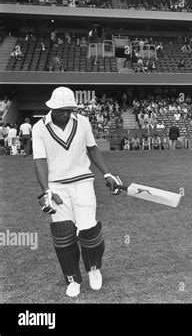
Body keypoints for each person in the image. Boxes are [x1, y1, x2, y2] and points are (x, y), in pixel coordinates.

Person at [32, 86, 123, 297]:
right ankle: (72, 278)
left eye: (69, 110)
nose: (66, 114)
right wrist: (46, 190)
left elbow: (92, 149)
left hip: (82, 182)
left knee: (89, 229)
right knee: (63, 234)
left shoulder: (82, 122)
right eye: (62, 110)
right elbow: (39, 161)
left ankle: (93, 268)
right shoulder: (39, 128)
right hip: (56, 187)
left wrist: (107, 174)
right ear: (52, 108)